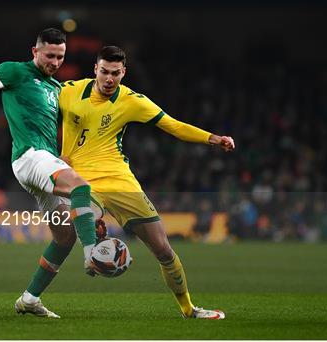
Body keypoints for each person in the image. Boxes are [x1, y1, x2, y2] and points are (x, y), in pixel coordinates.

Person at [58, 46, 235, 319]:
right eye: (104, 71)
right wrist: (54, 155)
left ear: (123, 73)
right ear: (95, 69)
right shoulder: (68, 91)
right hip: (82, 180)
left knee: (163, 250)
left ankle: (188, 309)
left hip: (121, 181)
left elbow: (173, 125)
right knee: (86, 215)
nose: (109, 78)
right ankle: (92, 251)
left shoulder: (132, 101)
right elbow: (38, 115)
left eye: (115, 73)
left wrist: (213, 138)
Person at [0, 28, 97, 319]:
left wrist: (63, 156)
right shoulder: (14, 72)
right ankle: (93, 253)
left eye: (60, 57)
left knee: (64, 237)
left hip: (44, 160)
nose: (56, 62)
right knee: (80, 187)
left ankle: (30, 298)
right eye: (50, 55)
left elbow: (56, 130)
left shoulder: (56, 89)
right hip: (29, 158)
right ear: (35, 52)